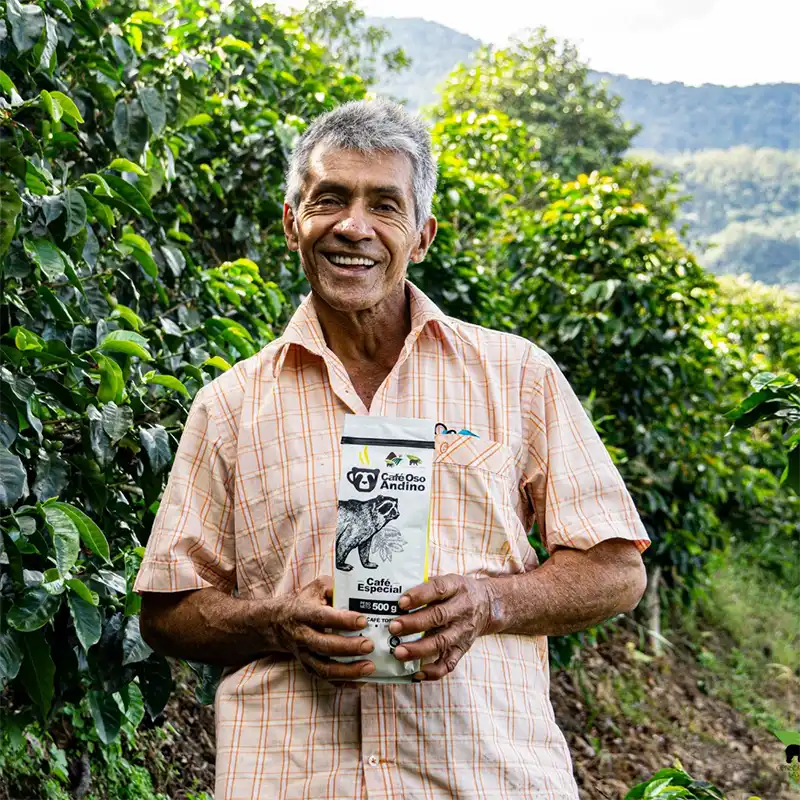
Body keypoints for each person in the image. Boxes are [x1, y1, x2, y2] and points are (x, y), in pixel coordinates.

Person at [137, 99, 650, 800]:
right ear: (294, 224)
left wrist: (489, 603)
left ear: (422, 236)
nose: (353, 227)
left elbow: (616, 570)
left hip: (485, 779)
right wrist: (281, 621)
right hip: (291, 779)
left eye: (384, 204)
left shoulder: (517, 374)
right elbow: (168, 612)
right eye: (329, 200)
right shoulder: (230, 406)